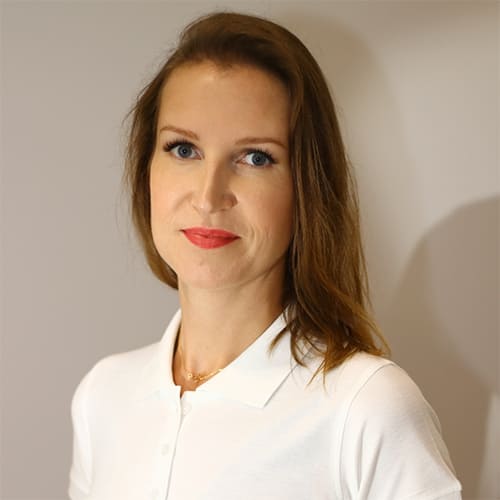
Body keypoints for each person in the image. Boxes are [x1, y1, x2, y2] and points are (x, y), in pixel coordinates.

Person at [68, 11, 462, 500]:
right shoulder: (103, 397)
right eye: (183, 149)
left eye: (255, 157)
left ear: (306, 188)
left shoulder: (367, 407)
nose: (209, 197)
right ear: (146, 168)